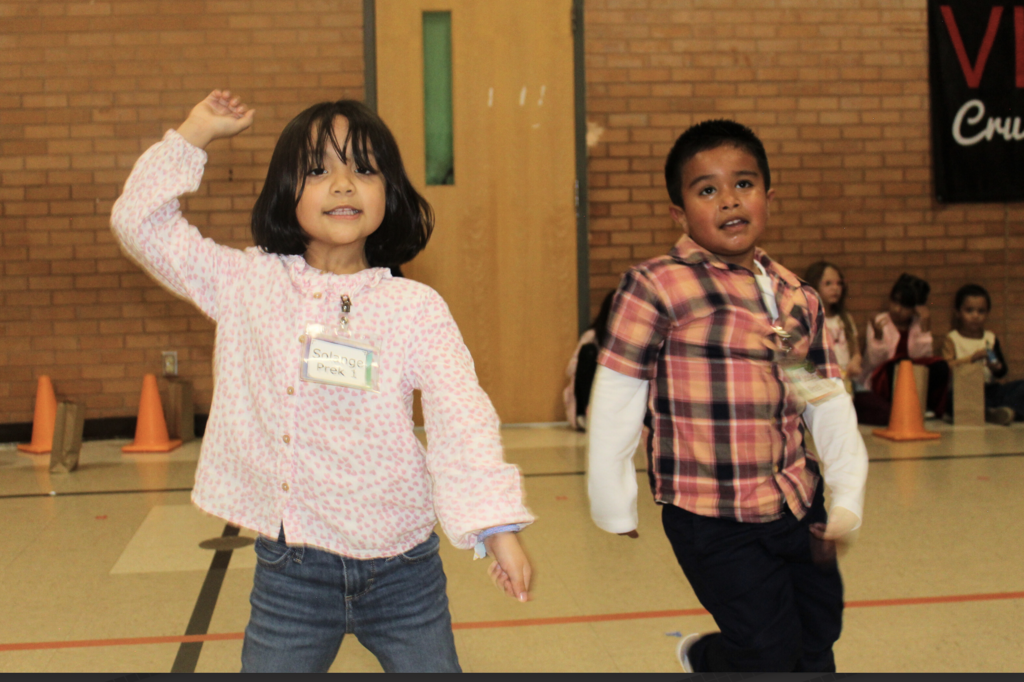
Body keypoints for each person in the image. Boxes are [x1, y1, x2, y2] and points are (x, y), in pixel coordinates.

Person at [110, 90, 533, 673]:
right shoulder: (248, 282)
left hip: (403, 571)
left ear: (391, 192)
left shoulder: (413, 307)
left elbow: (462, 417)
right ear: (288, 192)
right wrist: (195, 132)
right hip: (292, 573)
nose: (342, 185)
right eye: (318, 170)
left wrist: (496, 526)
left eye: (364, 169)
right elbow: (139, 223)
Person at [586, 119, 868, 673]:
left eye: (744, 184)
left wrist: (847, 491)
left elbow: (824, 398)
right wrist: (611, 500)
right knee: (767, 648)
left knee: (820, 631)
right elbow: (619, 393)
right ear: (679, 212)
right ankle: (712, 658)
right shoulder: (658, 287)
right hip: (710, 513)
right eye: (707, 189)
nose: (729, 200)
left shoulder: (794, 297)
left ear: (768, 196)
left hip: (796, 499)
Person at [860, 273, 950, 422]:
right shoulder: (880, 321)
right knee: (899, 362)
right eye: (894, 302)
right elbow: (874, 363)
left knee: (939, 365)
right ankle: (899, 406)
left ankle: (927, 406)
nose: (897, 309)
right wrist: (878, 337)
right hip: (883, 379)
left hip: (910, 375)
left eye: (904, 306)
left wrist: (924, 331)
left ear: (915, 308)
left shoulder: (917, 323)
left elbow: (922, 360)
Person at [942, 284, 1023, 424]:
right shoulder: (952, 338)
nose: (975, 316)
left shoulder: (990, 338)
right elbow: (946, 367)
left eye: (981, 311)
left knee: (1020, 387)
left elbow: (1001, 371)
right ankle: (992, 412)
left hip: (989, 389)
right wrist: (972, 358)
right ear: (958, 313)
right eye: (969, 310)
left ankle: (997, 411)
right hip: (965, 390)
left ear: (987, 314)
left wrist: (995, 367)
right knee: (950, 400)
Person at [804, 261, 861, 389]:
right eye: (828, 283)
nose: (835, 288)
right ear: (814, 286)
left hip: (846, 382)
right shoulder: (810, 320)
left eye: (839, 283)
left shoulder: (844, 319)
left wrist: (855, 361)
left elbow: (855, 351)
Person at [563, 290, 615, 430]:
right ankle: (584, 414)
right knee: (588, 351)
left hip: (615, 389)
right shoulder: (592, 336)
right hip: (594, 386)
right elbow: (571, 368)